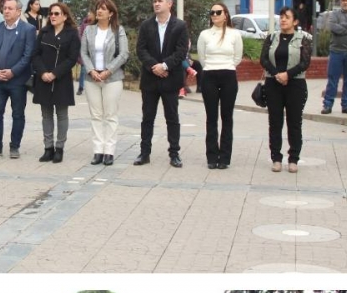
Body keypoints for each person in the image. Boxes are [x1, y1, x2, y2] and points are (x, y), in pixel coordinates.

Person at [134, 0, 189, 168]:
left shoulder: (180, 26)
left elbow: (181, 51)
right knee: (147, 118)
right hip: (150, 80)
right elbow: (140, 49)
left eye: (160, 1)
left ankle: (174, 153)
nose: (156, 4)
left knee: (172, 118)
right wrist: (154, 67)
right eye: (155, 1)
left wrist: (164, 65)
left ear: (170, 4)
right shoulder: (146, 25)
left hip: (170, 79)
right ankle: (145, 153)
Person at [0, 0, 36, 159]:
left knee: (18, 114)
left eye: (10, 8)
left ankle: (14, 146)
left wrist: (13, 72)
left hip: (17, 81)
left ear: (19, 11)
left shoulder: (28, 30)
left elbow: (28, 56)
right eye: (4, 8)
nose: (6, 11)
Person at [260, 6, 311, 173]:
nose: (283, 20)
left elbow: (305, 63)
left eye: (287, 17)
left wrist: (287, 74)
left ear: (295, 21)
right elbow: (264, 59)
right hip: (273, 83)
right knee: (275, 122)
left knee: (294, 122)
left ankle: (293, 158)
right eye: (281, 17)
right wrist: (277, 74)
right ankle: (276, 157)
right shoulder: (272, 38)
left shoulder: (303, 39)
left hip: (295, 84)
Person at [79, 0, 127, 166]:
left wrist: (108, 71)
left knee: (110, 115)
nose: (99, 11)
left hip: (112, 79)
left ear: (111, 13)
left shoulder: (117, 30)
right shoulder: (89, 30)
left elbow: (124, 54)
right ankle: (98, 150)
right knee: (96, 115)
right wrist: (91, 70)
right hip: (92, 78)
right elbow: (83, 53)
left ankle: (109, 151)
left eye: (103, 9)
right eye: (98, 8)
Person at [31, 1, 79, 163]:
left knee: (62, 114)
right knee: (46, 114)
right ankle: (48, 148)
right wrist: (43, 72)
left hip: (61, 79)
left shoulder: (72, 34)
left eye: (56, 13)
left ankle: (59, 148)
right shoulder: (44, 33)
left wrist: (55, 74)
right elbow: (35, 54)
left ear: (65, 16)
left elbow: (72, 58)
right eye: (51, 13)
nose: (52, 16)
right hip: (43, 79)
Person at [197, 2, 242, 169]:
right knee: (211, 117)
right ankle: (211, 156)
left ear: (226, 15)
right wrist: (211, 67)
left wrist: (227, 66)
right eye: (212, 12)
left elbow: (237, 57)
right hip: (209, 75)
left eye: (218, 12)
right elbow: (202, 57)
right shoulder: (204, 35)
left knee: (227, 117)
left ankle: (224, 157)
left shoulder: (234, 34)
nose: (214, 15)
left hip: (228, 75)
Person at [321, 0, 347, 115]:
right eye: (343, 0)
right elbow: (333, 27)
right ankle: (328, 105)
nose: (346, 2)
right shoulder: (334, 14)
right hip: (336, 52)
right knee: (332, 80)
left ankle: (346, 105)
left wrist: (342, 27)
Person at [76, 11, 93, 96]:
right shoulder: (84, 23)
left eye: (90, 14)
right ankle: (81, 87)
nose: (89, 15)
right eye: (88, 14)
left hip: (93, 50)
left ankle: (91, 88)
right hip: (84, 48)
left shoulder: (95, 23)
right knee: (83, 70)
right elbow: (79, 34)